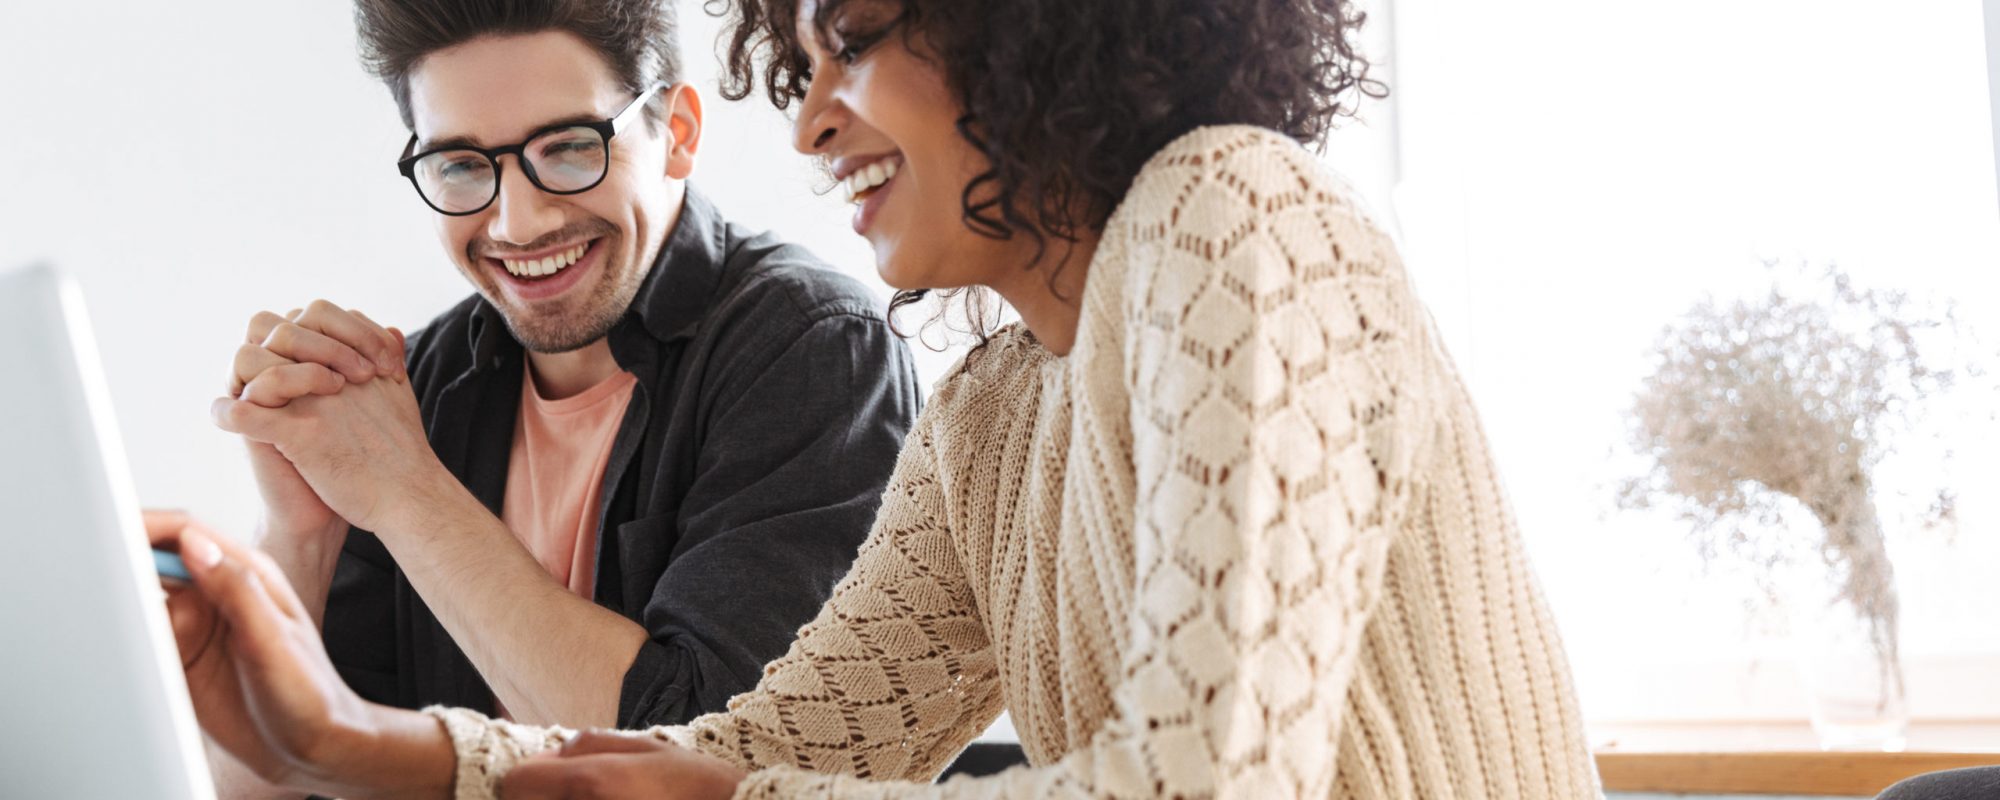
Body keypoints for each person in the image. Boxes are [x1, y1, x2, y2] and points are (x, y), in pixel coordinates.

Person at [159, 0, 1604, 796]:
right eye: (800, 55)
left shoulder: (1230, 209)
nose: (805, 114)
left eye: (853, 38)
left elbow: (1204, 787)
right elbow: (758, 744)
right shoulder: (991, 413)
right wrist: (344, 741)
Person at [204, 2, 920, 790]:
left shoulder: (816, 348)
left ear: (677, 133)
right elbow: (261, 781)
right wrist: (300, 537)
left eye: (570, 148)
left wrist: (405, 493)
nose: (518, 221)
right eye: (462, 166)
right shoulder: (422, 391)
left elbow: (714, 766)